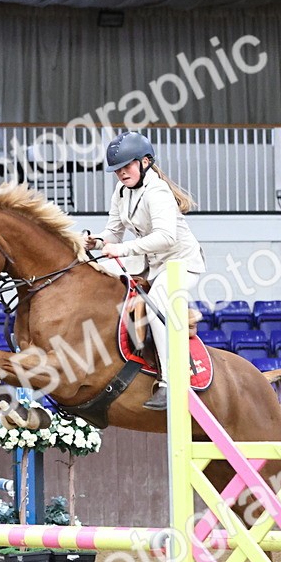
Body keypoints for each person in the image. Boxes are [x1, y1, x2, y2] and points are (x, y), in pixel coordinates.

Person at [84, 132, 206, 411]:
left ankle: (171, 382)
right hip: (150, 263)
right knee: (93, 272)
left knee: (157, 305)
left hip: (180, 263)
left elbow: (166, 238)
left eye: (127, 166)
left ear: (146, 161)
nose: (121, 173)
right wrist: (96, 241)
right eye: (117, 169)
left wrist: (123, 250)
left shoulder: (158, 191)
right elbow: (114, 233)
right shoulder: (122, 192)